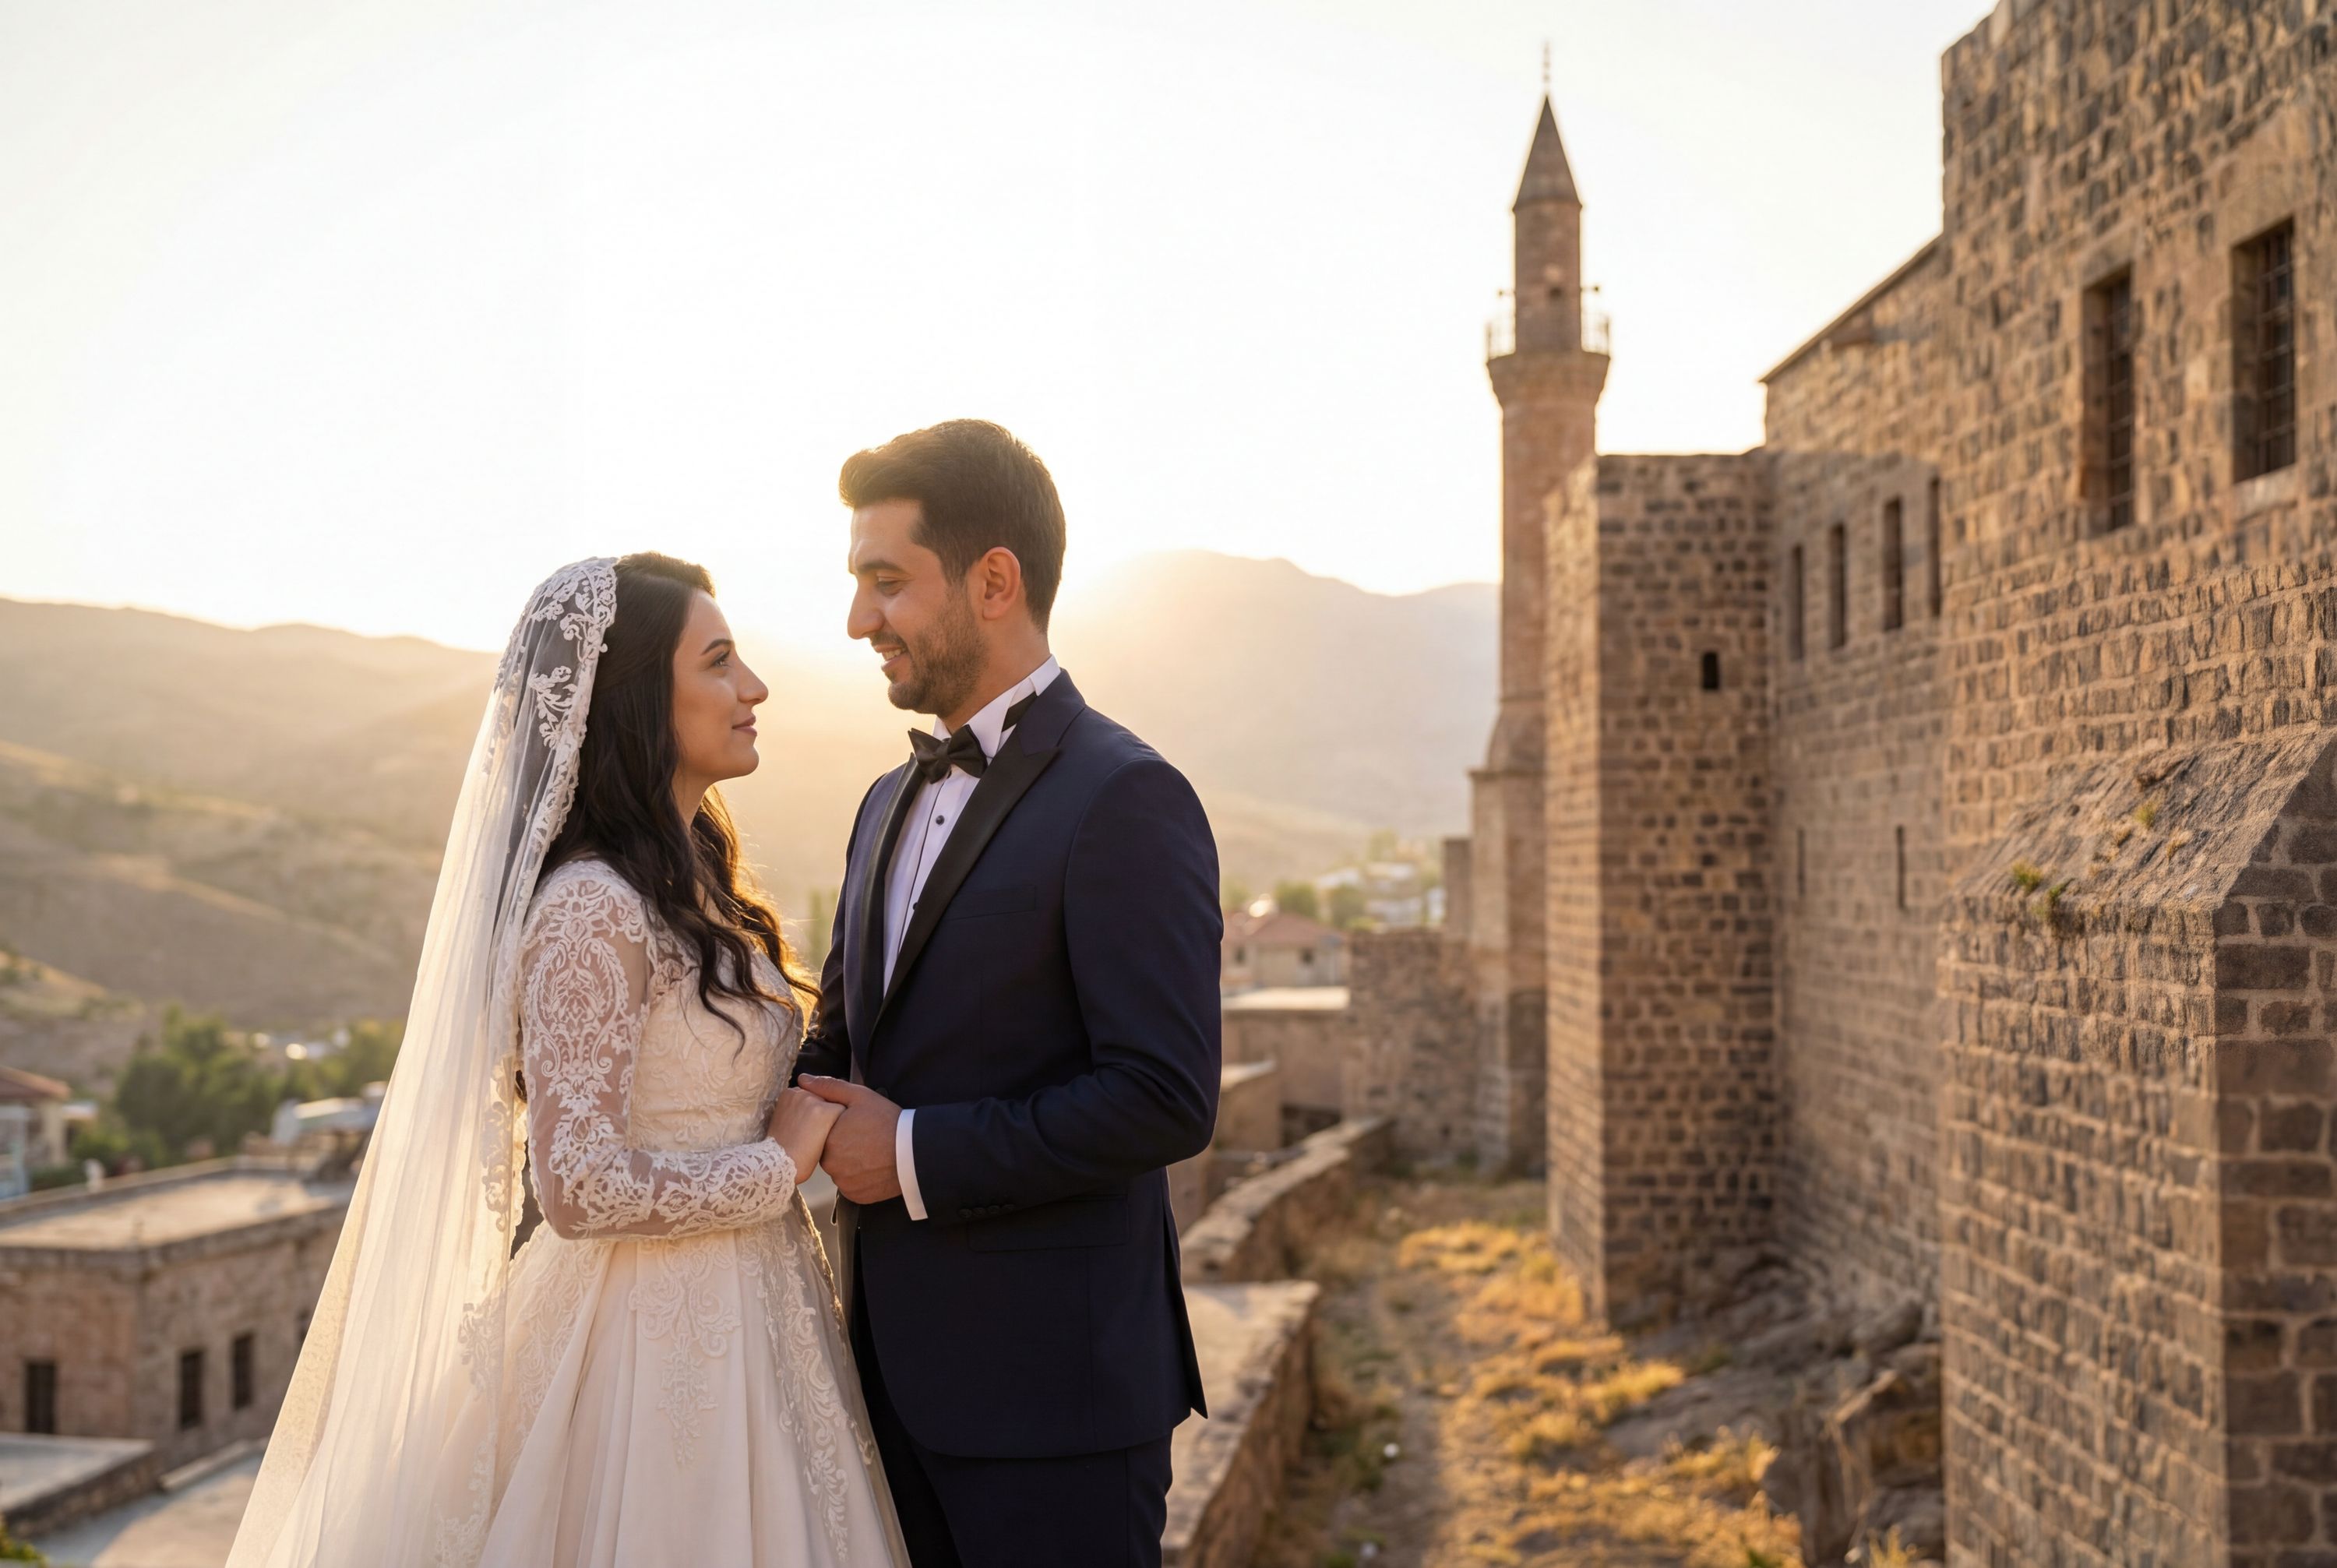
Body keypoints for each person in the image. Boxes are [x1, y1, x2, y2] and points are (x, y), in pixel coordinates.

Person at [227, 554, 909, 1567]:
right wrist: (777, 1168)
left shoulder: (696, 890)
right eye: (720, 662)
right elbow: (580, 1183)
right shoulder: (591, 908)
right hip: (639, 1352)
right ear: (637, 699)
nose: (754, 687)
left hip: (764, 1322)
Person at [796, 419, 1223, 1568]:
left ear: (995, 582)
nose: (857, 621)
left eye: (887, 583)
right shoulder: (883, 802)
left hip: (1061, 1413)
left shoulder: (1128, 795)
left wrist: (917, 1153)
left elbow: (1164, 1096)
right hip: (881, 1388)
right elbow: (842, 1041)